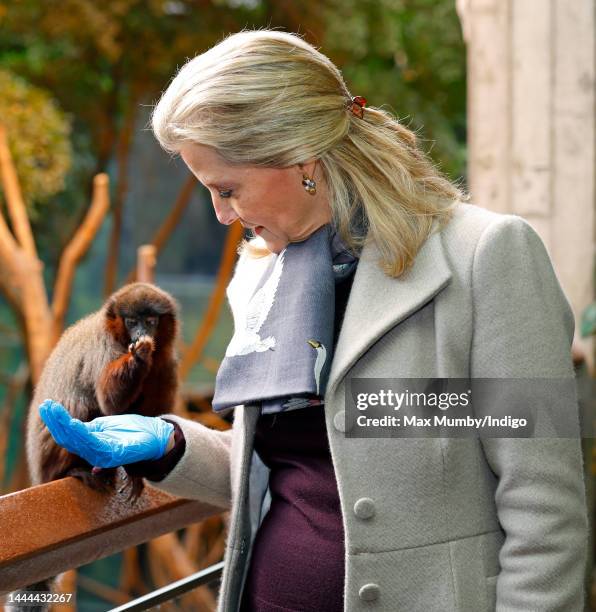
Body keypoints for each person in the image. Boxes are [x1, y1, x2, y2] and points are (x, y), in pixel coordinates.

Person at [39, 29, 588, 612]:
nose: (222, 216)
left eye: (227, 189)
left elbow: (544, 514)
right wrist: (169, 444)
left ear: (300, 157)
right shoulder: (260, 274)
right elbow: (300, 464)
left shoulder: (486, 256)